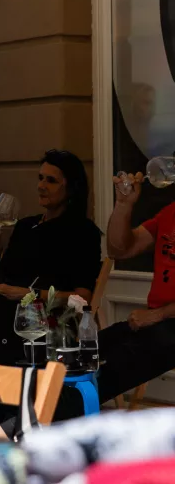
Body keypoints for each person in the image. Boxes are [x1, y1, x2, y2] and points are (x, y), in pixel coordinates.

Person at [0, 149, 102, 365]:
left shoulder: (83, 232)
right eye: (40, 178)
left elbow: (82, 298)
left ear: (71, 188)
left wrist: (28, 295)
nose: (41, 186)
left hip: (47, 320)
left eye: (51, 181)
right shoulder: (26, 226)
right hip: (6, 310)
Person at [94, 171, 175, 401]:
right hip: (160, 322)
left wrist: (158, 315)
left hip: (165, 324)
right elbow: (119, 250)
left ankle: (55, 409)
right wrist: (123, 204)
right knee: (87, 349)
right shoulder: (170, 212)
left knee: (115, 368)